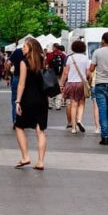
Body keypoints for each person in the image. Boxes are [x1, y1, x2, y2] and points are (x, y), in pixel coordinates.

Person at [13, 38, 49, 170]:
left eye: (25, 46)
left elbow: (21, 84)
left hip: (28, 99)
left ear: (31, 48)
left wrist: (17, 101)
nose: (23, 49)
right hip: (42, 99)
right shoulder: (42, 61)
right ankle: (40, 161)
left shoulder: (24, 62)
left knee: (19, 126)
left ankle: (25, 156)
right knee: (40, 131)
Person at [60, 40, 89, 134]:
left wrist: (61, 84)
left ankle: (73, 128)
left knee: (73, 104)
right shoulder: (85, 58)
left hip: (71, 83)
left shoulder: (70, 58)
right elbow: (88, 73)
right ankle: (79, 120)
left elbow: (65, 73)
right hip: (81, 83)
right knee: (81, 103)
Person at [7, 46, 25, 126]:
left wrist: (7, 74)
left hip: (16, 77)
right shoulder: (32, 52)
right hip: (27, 79)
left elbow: (8, 63)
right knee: (25, 99)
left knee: (15, 100)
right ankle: (23, 120)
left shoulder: (17, 51)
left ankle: (15, 120)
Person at [46, 44, 67, 110]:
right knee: (59, 89)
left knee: (51, 89)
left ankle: (50, 105)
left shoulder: (50, 55)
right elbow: (65, 65)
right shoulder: (63, 55)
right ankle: (58, 105)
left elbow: (46, 64)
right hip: (60, 75)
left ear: (54, 47)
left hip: (51, 74)